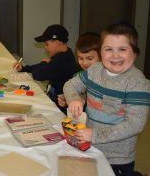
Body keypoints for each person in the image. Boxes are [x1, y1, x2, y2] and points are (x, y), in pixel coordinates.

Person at [63, 22, 150, 176]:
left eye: (122, 49)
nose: (115, 55)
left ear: (135, 53)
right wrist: (74, 99)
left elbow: (135, 124)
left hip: (117, 157)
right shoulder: (95, 70)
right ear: (101, 52)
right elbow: (70, 86)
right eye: (108, 49)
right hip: (88, 145)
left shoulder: (138, 83)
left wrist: (94, 135)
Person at [13, 24, 77, 114]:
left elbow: (38, 74)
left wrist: (44, 63)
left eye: (47, 44)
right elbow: (44, 67)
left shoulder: (62, 61)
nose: (45, 48)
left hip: (60, 108)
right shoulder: (64, 54)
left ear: (57, 43)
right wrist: (23, 68)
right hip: (54, 99)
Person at [58, 32, 101, 107]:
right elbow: (83, 96)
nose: (84, 63)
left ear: (101, 56)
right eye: (80, 58)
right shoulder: (79, 76)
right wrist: (69, 99)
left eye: (89, 58)